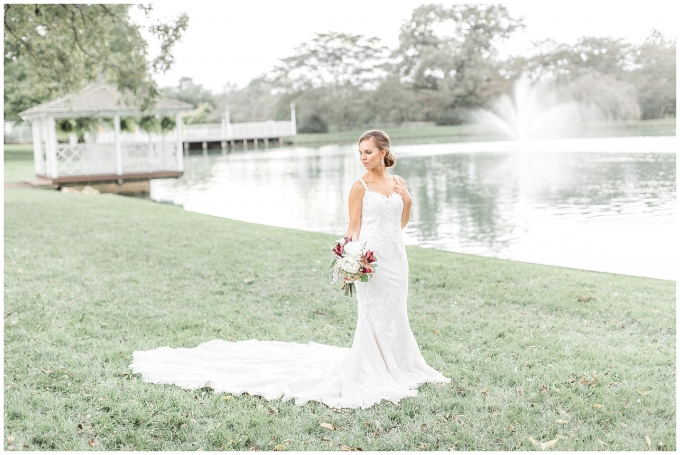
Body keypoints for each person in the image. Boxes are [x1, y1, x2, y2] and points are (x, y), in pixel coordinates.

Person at [130, 130, 449, 409]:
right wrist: (350, 258)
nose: (363, 158)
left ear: (383, 152)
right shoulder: (358, 187)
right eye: (360, 153)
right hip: (370, 260)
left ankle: (400, 365)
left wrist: (406, 199)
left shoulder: (398, 183)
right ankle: (374, 368)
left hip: (397, 259)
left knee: (396, 313)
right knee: (373, 315)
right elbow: (353, 227)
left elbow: (401, 223)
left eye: (368, 152)